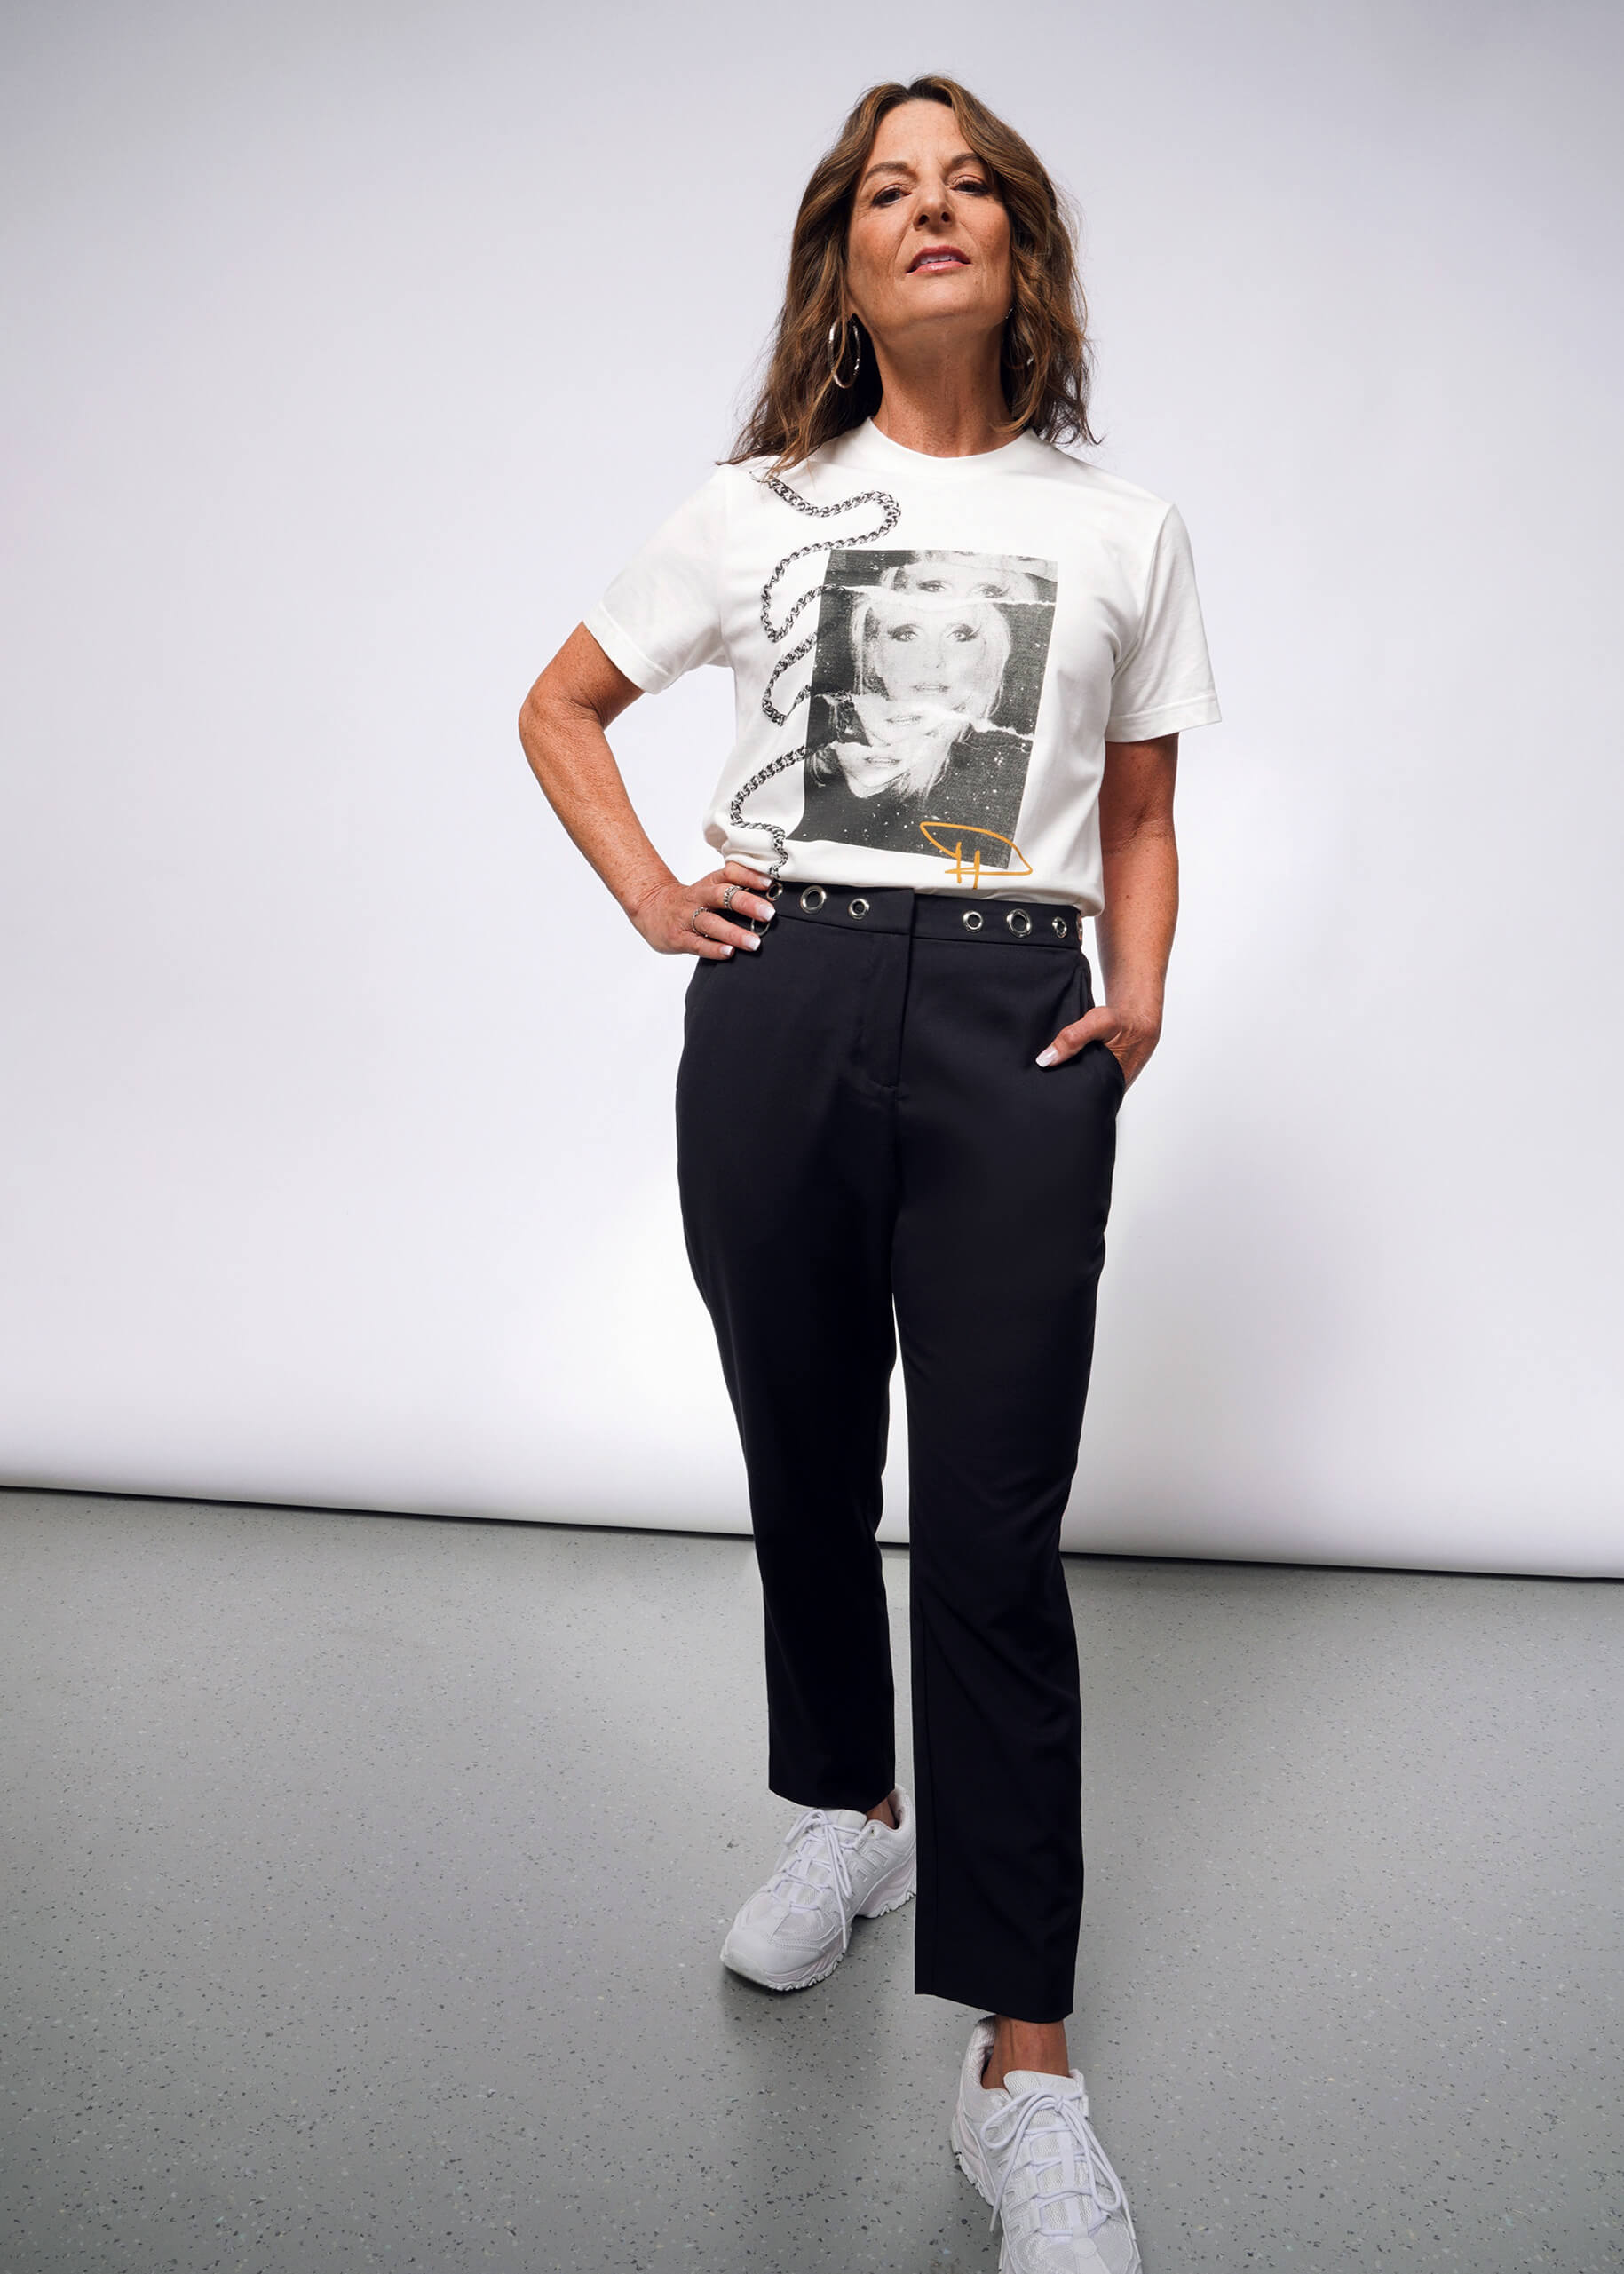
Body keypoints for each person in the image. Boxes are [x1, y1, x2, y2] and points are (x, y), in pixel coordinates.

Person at [518, 73, 1219, 2274]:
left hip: (1017, 1015)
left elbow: (1139, 812)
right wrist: (655, 895)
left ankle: (1026, 2070)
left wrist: (1145, 998)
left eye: (972, 185)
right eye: (890, 192)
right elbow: (560, 705)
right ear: (842, 258)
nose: (935, 213)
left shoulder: (1123, 527)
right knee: (805, 1454)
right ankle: (854, 1809)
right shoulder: (752, 506)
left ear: (1023, 246)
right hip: (790, 995)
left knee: (993, 1530)